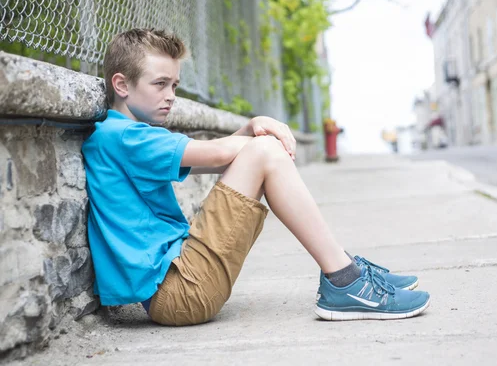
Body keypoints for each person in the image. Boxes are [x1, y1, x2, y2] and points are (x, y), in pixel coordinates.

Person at [82, 28, 430, 326]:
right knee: (264, 151)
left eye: (174, 84)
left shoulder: (120, 136)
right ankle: (344, 278)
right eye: (160, 84)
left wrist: (250, 130)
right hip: (179, 292)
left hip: (179, 283)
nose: (171, 96)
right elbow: (221, 154)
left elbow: (224, 161)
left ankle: (346, 271)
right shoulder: (127, 137)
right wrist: (260, 135)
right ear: (121, 85)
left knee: (261, 151)